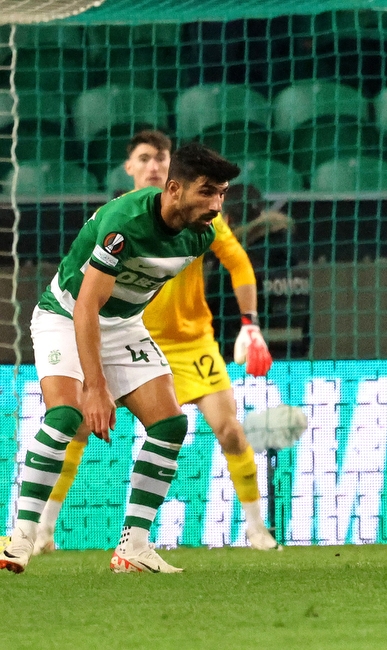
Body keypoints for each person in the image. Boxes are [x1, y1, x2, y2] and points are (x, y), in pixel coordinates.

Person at [29, 131, 278, 559]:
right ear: (130, 169)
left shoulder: (201, 222)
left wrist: (249, 324)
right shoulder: (119, 219)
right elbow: (88, 300)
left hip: (190, 339)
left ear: (170, 172)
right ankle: (40, 530)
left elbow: (238, 261)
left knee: (226, 428)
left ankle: (256, 529)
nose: (152, 165)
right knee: (77, 423)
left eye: (159, 157)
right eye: (143, 158)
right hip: (121, 333)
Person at [209, 183, 311, 360]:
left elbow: (214, 325)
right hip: (294, 369)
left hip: (240, 369)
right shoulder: (298, 259)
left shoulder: (233, 264)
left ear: (227, 220)